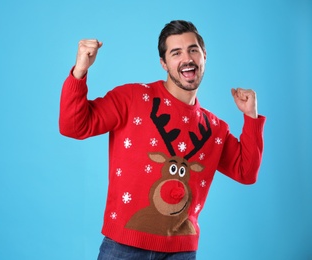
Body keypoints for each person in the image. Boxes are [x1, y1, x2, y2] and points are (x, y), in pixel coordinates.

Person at [59, 20, 266, 260]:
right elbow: (73, 126)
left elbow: (246, 171)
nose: (186, 58)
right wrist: (80, 71)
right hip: (124, 247)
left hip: (181, 251)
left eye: (193, 50)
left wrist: (250, 117)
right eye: (176, 53)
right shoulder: (131, 98)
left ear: (204, 56)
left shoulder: (214, 129)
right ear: (163, 63)